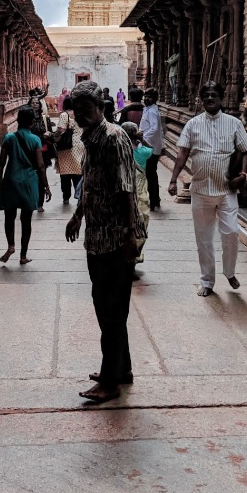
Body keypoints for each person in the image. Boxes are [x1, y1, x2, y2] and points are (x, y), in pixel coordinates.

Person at [65, 81, 145, 404]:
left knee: (111, 310)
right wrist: (78, 216)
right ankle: (120, 367)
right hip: (96, 236)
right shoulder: (89, 139)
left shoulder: (114, 139)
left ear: (100, 107)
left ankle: (110, 381)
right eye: (77, 110)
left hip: (115, 238)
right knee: (107, 307)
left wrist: (129, 238)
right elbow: (91, 184)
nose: (81, 115)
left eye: (86, 109)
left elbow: (127, 191)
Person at [168, 81, 247, 297]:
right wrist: (173, 179)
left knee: (231, 232)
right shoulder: (193, 124)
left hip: (226, 190)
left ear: (221, 98)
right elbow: (182, 153)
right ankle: (207, 281)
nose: (209, 98)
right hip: (201, 190)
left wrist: (243, 175)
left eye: (213, 94)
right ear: (201, 99)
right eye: (205, 95)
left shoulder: (234, 123)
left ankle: (230, 272)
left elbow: (245, 150)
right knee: (204, 239)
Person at [0, 106, 51, 265]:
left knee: (9, 216)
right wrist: (46, 186)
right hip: (29, 181)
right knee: (26, 220)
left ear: (18, 120)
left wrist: (0, 183)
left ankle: (11, 245)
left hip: (11, 180)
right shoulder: (35, 140)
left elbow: (1, 164)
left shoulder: (8, 138)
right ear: (31, 122)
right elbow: (41, 166)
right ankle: (23, 255)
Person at [119, 121, 151, 273]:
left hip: (122, 196)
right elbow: (153, 149)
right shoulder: (143, 152)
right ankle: (133, 257)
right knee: (140, 228)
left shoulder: (118, 152)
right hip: (140, 197)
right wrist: (142, 140)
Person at [52, 95, 84, 203]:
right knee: (78, 171)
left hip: (66, 147)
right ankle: (79, 194)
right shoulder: (81, 114)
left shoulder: (64, 115)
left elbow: (61, 129)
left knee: (65, 173)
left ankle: (66, 197)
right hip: (79, 146)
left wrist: (54, 135)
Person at [139, 88, 165, 211]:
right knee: (151, 173)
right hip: (151, 146)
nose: (146, 98)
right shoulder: (148, 110)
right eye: (145, 96)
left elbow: (154, 129)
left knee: (150, 174)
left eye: (149, 96)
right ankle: (155, 199)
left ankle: (153, 201)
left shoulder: (152, 112)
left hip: (150, 147)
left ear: (154, 99)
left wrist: (142, 138)